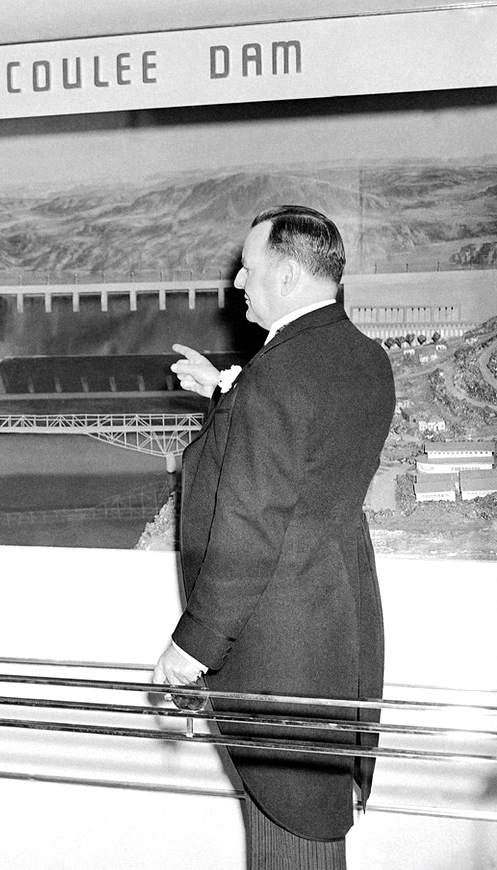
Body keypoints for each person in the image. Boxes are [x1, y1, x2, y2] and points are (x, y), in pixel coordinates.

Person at [151, 205, 394, 869]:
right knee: (308, 835)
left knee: (287, 843)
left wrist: (191, 647)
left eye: (249, 269)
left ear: (286, 277)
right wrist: (227, 392)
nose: (238, 282)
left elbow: (250, 530)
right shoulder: (363, 358)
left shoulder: (276, 377)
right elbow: (306, 445)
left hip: (278, 649)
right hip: (333, 631)